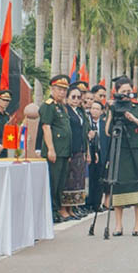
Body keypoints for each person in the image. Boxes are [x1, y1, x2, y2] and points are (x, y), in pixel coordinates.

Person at [107, 76, 138, 236]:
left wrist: (134, 119)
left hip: (136, 149)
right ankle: (118, 225)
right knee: (118, 185)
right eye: (122, 92)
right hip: (120, 149)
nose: (126, 94)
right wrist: (111, 111)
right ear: (116, 92)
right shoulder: (113, 108)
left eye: (128, 91)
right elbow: (107, 131)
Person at [39, 75, 73, 223]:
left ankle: (57, 209)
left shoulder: (61, 107)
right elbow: (46, 127)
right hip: (55, 151)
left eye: (65, 90)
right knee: (52, 182)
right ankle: (51, 211)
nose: (62, 92)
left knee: (60, 183)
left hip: (64, 151)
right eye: (59, 89)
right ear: (52, 89)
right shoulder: (48, 106)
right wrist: (51, 149)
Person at [63, 85, 89, 218]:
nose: (76, 100)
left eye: (78, 97)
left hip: (80, 149)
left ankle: (73, 208)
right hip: (70, 150)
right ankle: (65, 209)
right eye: (73, 97)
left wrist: (86, 151)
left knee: (78, 180)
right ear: (67, 98)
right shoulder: (65, 111)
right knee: (68, 180)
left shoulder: (80, 112)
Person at [86, 100, 108, 212]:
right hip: (89, 154)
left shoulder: (104, 125)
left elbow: (107, 142)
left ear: (101, 111)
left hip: (101, 155)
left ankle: (97, 204)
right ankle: (88, 203)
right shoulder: (86, 122)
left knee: (100, 180)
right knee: (89, 180)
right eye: (93, 108)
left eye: (97, 109)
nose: (94, 111)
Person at [0, 89, 12, 157]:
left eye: (8, 101)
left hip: (5, 146)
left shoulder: (7, 116)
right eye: (4, 100)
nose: (6, 102)